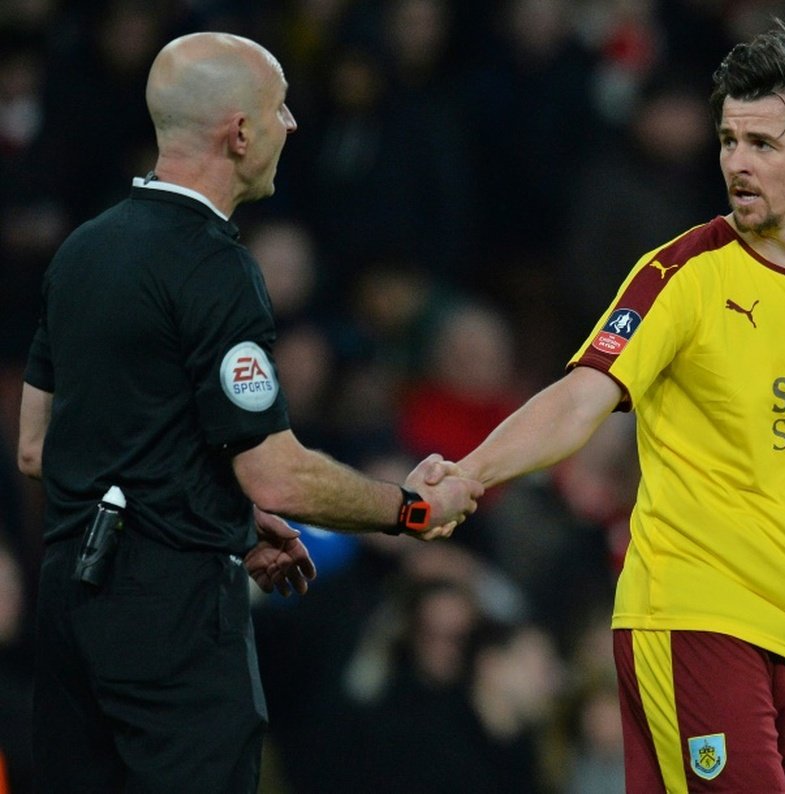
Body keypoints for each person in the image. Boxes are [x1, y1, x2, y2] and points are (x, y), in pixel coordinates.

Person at [433, 19, 785, 793]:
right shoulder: (683, 274)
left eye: (764, 145)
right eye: (729, 141)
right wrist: (471, 473)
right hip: (690, 617)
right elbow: (580, 400)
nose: (737, 163)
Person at [16, 31, 482, 793]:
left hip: (68, 606)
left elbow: (38, 448)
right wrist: (414, 510)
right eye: (280, 108)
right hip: (170, 616)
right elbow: (280, 476)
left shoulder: (82, 251)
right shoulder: (215, 268)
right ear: (239, 132)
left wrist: (224, 516)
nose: (293, 125)